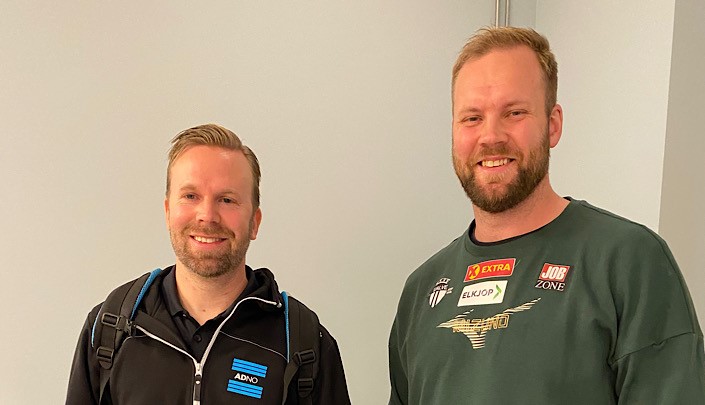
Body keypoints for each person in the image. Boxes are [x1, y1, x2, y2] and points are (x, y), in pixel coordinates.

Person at [388, 27, 705, 404]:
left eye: (514, 113)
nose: (491, 136)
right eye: (472, 118)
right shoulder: (421, 290)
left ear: (553, 124)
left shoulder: (628, 261)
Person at [67, 124, 351, 404]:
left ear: (254, 222)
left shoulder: (302, 342)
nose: (207, 215)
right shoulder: (112, 328)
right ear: (168, 212)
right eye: (190, 196)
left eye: (227, 199)